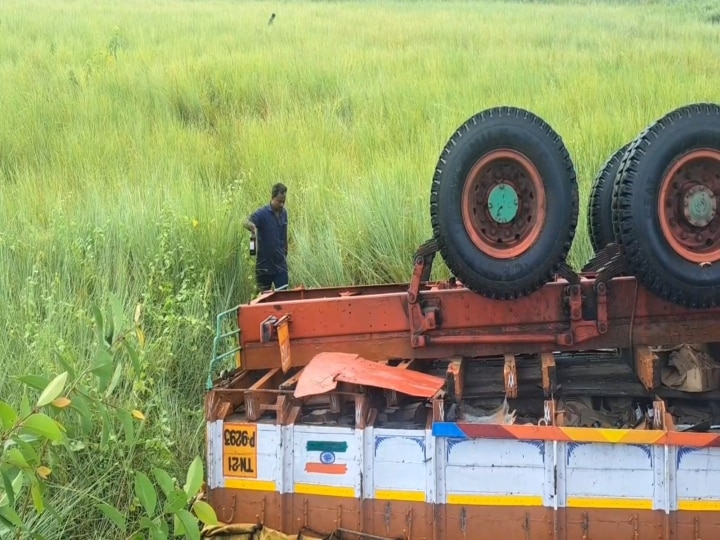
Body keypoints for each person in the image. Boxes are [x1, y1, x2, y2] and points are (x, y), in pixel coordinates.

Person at [244, 183, 289, 292]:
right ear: (272, 198)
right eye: (279, 201)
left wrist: (285, 252)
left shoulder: (284, 213)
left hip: (280, 265)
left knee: (283, 297)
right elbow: (245, 221)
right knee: (264, 299)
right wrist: (251, 227)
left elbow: (284, 234)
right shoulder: (262, 214)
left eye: (284, 201)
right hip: (264, 266)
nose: (282, 204)